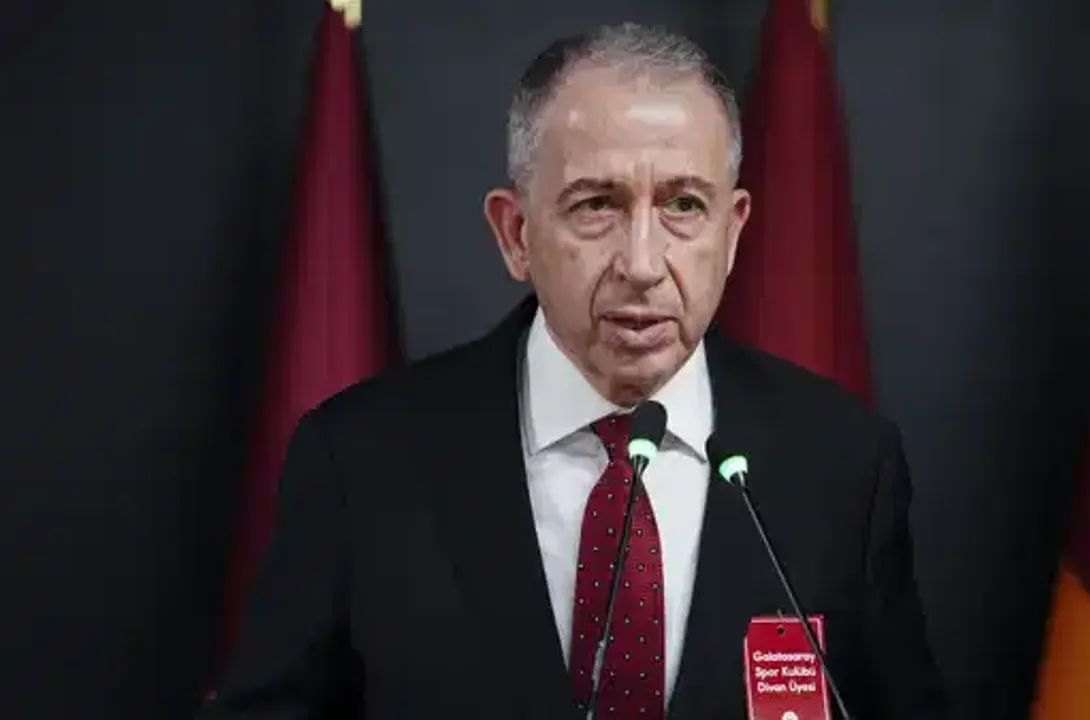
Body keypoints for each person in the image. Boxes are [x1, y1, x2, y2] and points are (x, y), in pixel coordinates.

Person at [200, 22, 947, 719]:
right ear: (516, 234)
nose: (643, 264)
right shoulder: (360, 462)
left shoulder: (844, 465)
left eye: (685, 205)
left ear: (732, 231)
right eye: (597, 206)